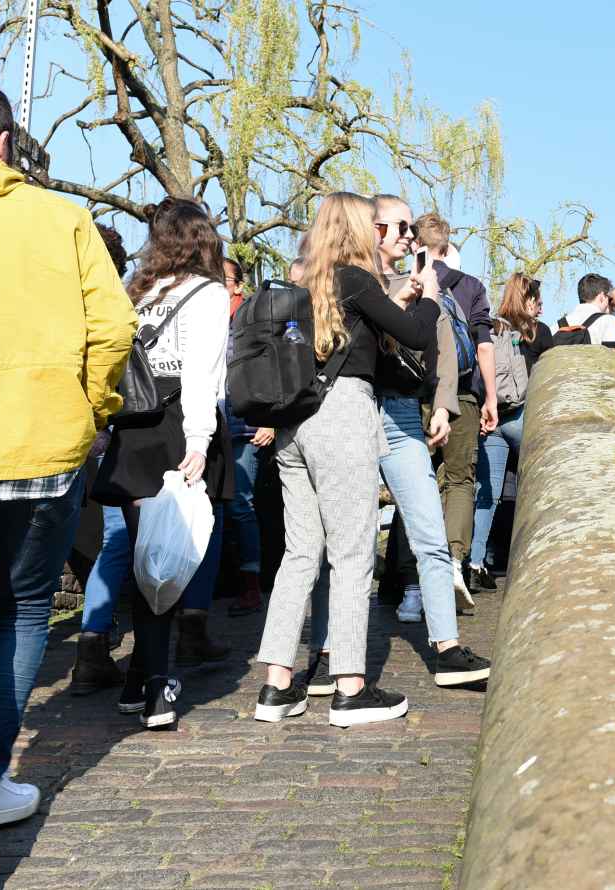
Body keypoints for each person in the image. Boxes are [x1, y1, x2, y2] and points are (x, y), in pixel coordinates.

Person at [0, 72, 136, 878]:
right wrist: (89, 411)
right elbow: (114, 327)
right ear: (2, 143)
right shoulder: (63, 218)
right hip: (43, 451)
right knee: (25, 611)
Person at [253, 192, 430, 728]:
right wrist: (421, 294)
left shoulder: (302, 283)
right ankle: (351, 688)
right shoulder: (355, 280)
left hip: (293, 425)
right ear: (357, 229)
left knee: (300, 554)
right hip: (341, 419)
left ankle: (276, 687)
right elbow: (418, 336)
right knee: (353, 554)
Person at [89, 196, 234, 731]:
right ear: (203, 237)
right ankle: (156, 689)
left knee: (143, 556)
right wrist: (199, 439)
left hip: (134, 429)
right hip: (177, 427)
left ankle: (135, 682)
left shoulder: (140, 292)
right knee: (167, 561)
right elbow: (202, 371)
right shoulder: (210, 293)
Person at [354, 197, 487, 688]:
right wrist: (408, 299)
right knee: (344, 539)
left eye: (411, 228)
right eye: (402, 226)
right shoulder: (356, 281)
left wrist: (445, 405)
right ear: (374, 228)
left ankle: (447, 648)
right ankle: (329, 654)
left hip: (405, 412)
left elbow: (444, 346)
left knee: (430, 531)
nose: (410, 236)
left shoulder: (432, 287)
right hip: (357, 410)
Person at [416, 215, 498, 593]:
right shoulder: (470, 286)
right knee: (461, 480)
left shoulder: (405, 282)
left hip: (413, 394)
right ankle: (453, 560)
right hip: (462, 393)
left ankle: (411, 582)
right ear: (448, 248)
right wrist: (491, 397)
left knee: (414, 480)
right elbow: (483, 344)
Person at [69, 225, 135, 695]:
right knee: (122, 536)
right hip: (108, 432)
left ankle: (93, 639)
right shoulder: (113, 304)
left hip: (63, 435)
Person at [469, 274, 551, 586]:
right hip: (522, 417)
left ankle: (474, 563)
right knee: (542, 483)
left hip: (493, 417)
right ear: (527, 300)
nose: (541, 309)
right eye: (537, 302)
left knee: (486, 494)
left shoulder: (493, 328)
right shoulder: (538, 332)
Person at [222, 256, 274, 619]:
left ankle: (250, 583)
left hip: (245, 427)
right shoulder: (204, 318)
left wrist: (271, 421)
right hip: (210, 429)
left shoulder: (254, 320)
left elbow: (272, 369)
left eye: (222, 278)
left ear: (238, 285)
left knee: (241, 505)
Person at [561, 273, 615, 345]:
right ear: (602, 296)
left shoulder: (556, 326)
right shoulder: (609, 321)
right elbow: (614, 355)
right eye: (609, 299)